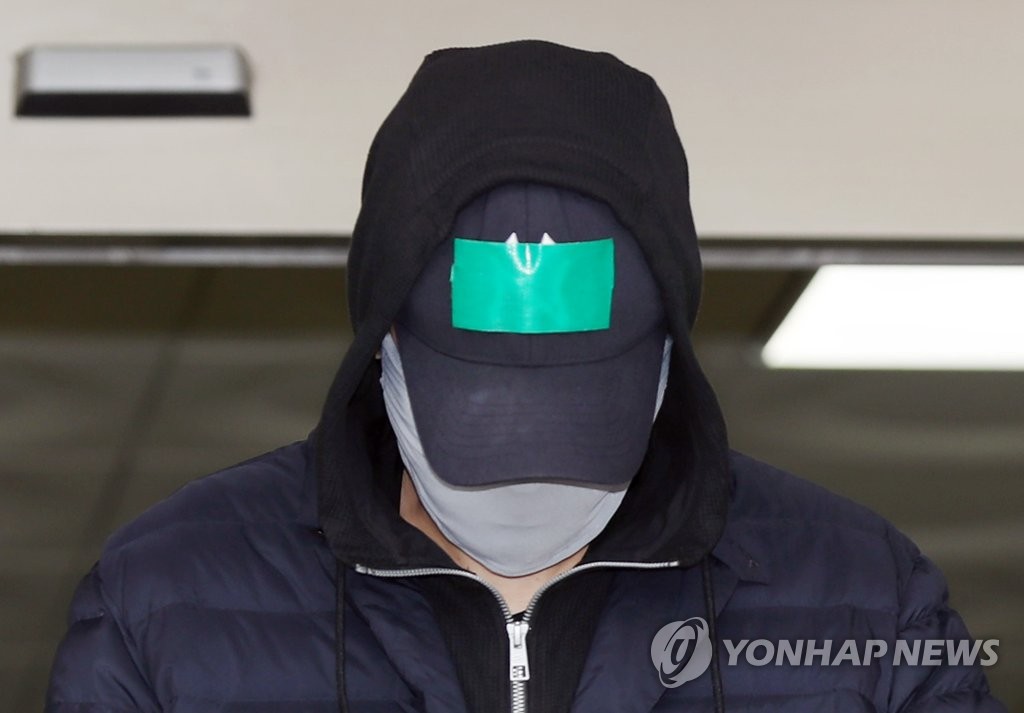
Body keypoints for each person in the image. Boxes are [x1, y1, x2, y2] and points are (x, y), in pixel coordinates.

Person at [46, 39, 1005, 713]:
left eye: (579, 413)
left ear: (669, 357)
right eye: (482, 409)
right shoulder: (164, 604)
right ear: (381, 343)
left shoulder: (864, 603)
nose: (529, 481)